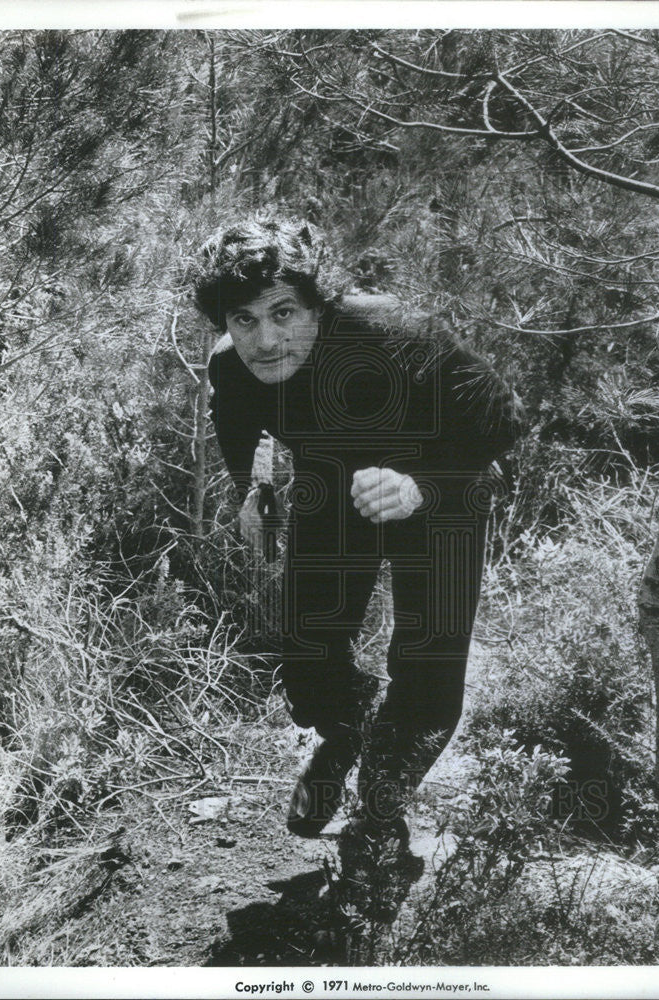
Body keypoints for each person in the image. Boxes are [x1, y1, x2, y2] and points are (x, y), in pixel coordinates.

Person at [191, 213, 523, 914]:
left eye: (285, 313)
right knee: (307, 648)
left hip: (444, 488)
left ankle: (376, 817)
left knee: (428, 666)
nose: (267, 338)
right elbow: (237, 419)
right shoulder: (233, 363)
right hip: (332, 481)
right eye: (244, 320)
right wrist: (252, 490)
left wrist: (420, 488)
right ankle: (346, 728)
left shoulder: (394, 335)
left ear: (318, 304)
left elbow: (500, 423)